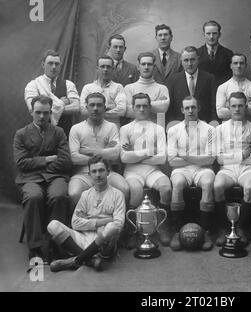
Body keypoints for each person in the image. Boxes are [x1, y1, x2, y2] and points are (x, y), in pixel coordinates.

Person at [13, 95, 72, 262]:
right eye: (38, 112)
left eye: (46, 113)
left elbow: (65, 161)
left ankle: (56, 243)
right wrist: (46, 160)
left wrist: (39, 165)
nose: (41, 117)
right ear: (31, 111)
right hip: (30, 178)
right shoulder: (21, 134)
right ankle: (36, 248)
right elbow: (21, 163)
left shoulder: (58, 132)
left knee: (59, 195)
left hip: (55, 176)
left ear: (50, 113)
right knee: (33, 196)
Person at [48, 155, 126, 272]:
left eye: (101, 170)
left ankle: (77, 260)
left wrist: (91, 223)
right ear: (89, 175)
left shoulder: (118, 195)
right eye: (94, 171)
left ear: (108, 172)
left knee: (112, 227)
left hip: (104, 242)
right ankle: (90, 259)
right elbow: (75, 223)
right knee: (53, 225)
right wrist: (103, 221)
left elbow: (118, 224)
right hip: (83, 238)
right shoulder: (86, 195)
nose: (98, 175)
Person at [120, 93, 172, 247]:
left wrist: (134, 154)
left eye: (145, 106)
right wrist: (150, 151)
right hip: (132, 172)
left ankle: (163, 227)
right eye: (138, 106)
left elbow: (163, 158)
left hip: (152, 171)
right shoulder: (125, 129)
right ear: (133, 108)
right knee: (135, 190)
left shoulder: (158, 129)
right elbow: (124, 158)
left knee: (166, 188)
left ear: (150, 108)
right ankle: (133, 231)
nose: (142, 109)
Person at [167, 96, 216, 251]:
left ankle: (206, 231)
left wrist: (185, 156)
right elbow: (172, 161)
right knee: (177, 184)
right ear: (182, 110)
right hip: (181, 170)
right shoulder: (174, 130)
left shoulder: (209, 129)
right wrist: (197, 159)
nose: (190, 111)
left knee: (208, 183)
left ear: (198, 108)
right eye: (187, 108)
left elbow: (210, 159)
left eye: (193, 107)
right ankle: (176, 231)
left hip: (203, 170)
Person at [214, 92, 251, 246]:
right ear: (228, 107)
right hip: (227, 169)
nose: (237, 109)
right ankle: (223, 228)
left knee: (250, 187)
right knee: (217, 185)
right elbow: (219, 158)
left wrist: (231, 155)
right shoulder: (220, 129)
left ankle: (241, 228)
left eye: (240, 105)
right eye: (233, 106)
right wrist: (241, 154)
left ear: (246, 107)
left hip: (247, 169)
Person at [69, 92, 129, 206]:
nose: (95, 108)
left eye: (99, 105)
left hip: (107, 172)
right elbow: (74, 158)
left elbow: (115, 154)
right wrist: (104, 153)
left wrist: (88, 151)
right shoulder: (76, 129)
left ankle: (119, 222)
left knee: (124, 189)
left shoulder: (111, 127)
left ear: (104, 108)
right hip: (83, 174)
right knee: (74, 193)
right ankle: (79, 222)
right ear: (86, 107)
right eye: (92, 105)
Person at [24, 50, 80, 136]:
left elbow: (77, 107)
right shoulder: (33, 85)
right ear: (43, 65)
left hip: (63, 134)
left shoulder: (69, 84)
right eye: (50, 63)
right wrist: (61, 103)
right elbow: (33, 109)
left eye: (57, 64)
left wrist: (46, 107)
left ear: (60, 66)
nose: (54, 67)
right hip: (40, 135)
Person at [167, 46, 216, 124]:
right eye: (186, 60)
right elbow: (170, 107)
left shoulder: (209, 79)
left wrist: (213, 122)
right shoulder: (173, 80)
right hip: (180, 126)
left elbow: (213, 104)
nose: (189, 64)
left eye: (192, 60)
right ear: (181, 62)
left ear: (198, 60)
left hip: (204, 125)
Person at [80, 55, 126, 128]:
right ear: (97, 68)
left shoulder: (118, 87)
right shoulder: (88, 88)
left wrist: (95, 112)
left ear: (113, 69)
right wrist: (110, 107)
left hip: (112, 128)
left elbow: (121, 110)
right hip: (91, 127)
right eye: (102, 66)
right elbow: (83, 110)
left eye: (108, 67)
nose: (105, 69)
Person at [124, 52, 170, 124]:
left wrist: (137, 105)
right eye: (143, 64)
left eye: (149, 64)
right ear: (138, 67)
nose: (146, 67)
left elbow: (163, 108)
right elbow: (128, 111)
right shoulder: (129, 88)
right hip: (134, 130)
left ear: (154, 67)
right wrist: (155, 104)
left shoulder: (162, 88)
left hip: (155, 129)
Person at [216, 53, 251, 122]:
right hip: (228, 128)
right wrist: (247, 104)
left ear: (246, 65)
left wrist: (230, 106)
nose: (238, 66)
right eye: (235, 63)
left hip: (248, 127)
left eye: (241, 63)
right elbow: (220, 113)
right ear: (231, 66)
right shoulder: (222, 87)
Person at [197, 20, 233, 87]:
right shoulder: (197, 53)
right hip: (203, 92)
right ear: (203, 35)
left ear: (219, 35)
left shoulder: (228, 54)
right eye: (208, 33)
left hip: (222, 91)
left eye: (214, 33)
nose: (211, 37)